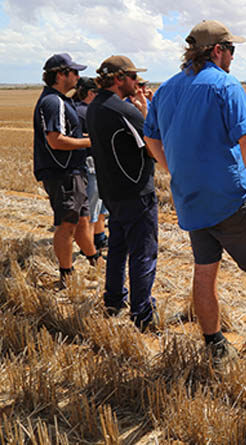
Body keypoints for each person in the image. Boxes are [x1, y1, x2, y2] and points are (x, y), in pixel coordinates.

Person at [143, 20, 246, 369]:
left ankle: (214, 345)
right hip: (230, 199)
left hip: (191, 200)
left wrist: (171, 167)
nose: (233, 57)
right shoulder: (225, 85)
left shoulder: (166, 90)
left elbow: (150, 136)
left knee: (204, 271)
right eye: (231, 49)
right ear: (217, 51)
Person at [85, 55, 158, 331]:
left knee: (117, 247)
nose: (136, 82)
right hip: (136, 191)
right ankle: (142, 314)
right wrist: (145, 113)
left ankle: (113, 300)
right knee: (143, 253)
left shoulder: (95, 107)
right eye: (133, 77)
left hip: (112, 191)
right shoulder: (123, 111)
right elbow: (152, 145)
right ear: (119, 79)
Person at [33, 54, 99, 287]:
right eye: (75, 73)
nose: (79, 77)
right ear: (61, 75)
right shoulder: (54, 102)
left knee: (81, 221)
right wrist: (92, 143)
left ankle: (95, 261)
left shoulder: (58, 100)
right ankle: (66, 276)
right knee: (67, 224)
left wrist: (90, 139)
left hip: (73, 172)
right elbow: (56, 140)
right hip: (63, 173)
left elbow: (71, 136)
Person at [72, 76, 109, 250]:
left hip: (91, 161)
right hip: (91, 163)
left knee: (98, 207)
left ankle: (99, 238)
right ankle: (92, 248)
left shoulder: (78, 109)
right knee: (93, 209)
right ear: (90, 93)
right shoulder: (85, 111)